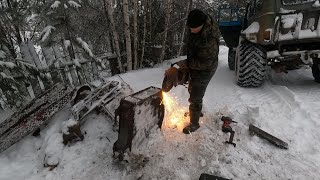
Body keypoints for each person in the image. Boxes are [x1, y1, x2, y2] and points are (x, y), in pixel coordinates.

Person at [178, 9, 220, 134]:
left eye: (193, 28)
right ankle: (196, 111)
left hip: (207, 68)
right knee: (192, 88)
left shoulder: (209, 39)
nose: (190, 30)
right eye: (189, 27)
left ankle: (194, 123)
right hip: (196, 62)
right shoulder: (197, 26)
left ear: (201, 25)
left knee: (196, 94)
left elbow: (206, 63)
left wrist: (187, 63)